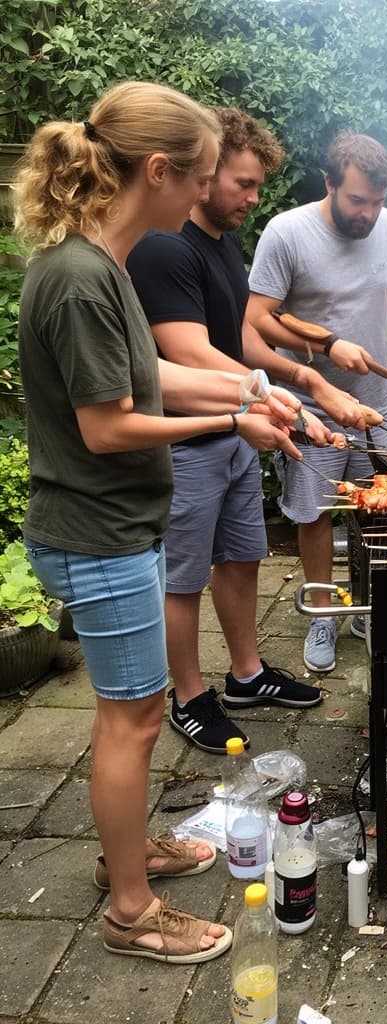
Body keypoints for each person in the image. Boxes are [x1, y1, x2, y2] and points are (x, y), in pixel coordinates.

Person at [14, 81, 301, 964]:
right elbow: (108, 426)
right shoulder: (77, 277)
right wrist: (232, 422)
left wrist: (257, 387)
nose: (206, 196)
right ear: (160, 170)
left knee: (125, 718)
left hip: (111, 529)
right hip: (97, 536)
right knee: (132, 722)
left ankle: (131, 855)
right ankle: (132, 910)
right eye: (205, 177)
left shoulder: (102, 262)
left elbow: (152, 380)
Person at [128, 108, 371, 752]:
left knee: (241, 557)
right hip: (186, 442)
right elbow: (188, 350)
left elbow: (240, 335)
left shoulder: (221, 243)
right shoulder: (164, 247)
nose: (253, 198)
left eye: (258, 184)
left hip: (235, 436)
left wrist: (309, 381)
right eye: (242, 183)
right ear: (203, 178)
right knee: (182, 578)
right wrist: (282, 401)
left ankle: (246, 674)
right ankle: (186, 696)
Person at [246, 132, 387, 674]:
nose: (368, 213)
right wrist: (326, 344)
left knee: (376, 509)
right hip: (308, 405)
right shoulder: (287, 233)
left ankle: (369, 603)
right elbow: (257, 320)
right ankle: (321, 609)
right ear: (330, 183)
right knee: (316, 511)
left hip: (373, 402)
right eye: (358, 200)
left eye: (378, 202)